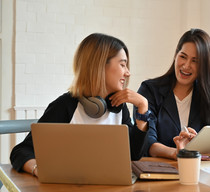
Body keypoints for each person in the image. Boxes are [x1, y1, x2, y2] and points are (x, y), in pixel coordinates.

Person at [10, 33, 151, 177]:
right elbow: (21, 151)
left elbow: (134, 154)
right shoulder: (65, 105)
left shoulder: (117, 107)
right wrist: (38, 170)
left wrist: (143, 107)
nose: (128, 73)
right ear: (99, 65)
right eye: (122, 64)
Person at [134, 28, 210, 160]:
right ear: (175, 55)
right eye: (183, 57)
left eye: (195, 61)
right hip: (160, 169)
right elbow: (148, 143)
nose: (186, 65)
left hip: (200, 170)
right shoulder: (149, 90)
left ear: (205, 66)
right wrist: (178, 153)